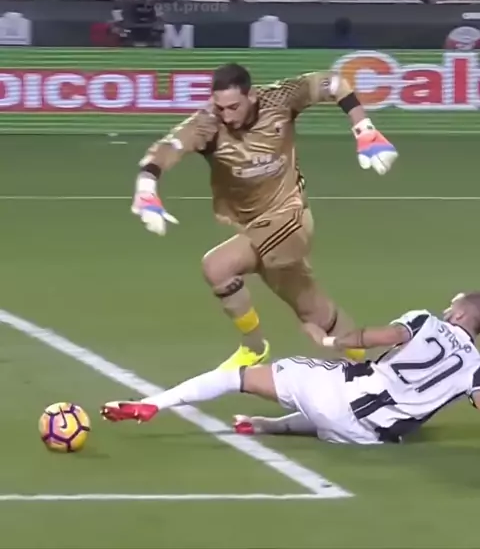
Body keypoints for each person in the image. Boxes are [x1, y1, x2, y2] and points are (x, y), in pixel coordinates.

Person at [130, 63, 398, 371]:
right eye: (220, 107)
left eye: (234, 106)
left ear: (252, 96)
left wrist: (364, 129)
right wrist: (146, 187)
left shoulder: (280, 100)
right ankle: (376, 368)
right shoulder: (208, 125)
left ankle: (254, 348)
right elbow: (166, 150)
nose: (226, 115)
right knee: (316, 313)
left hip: (291, 217)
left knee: (217, 266)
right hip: (254, 227)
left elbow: (334, 83)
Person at [102, 292, 480, 445]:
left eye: (453, 306)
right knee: (343, 407)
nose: (447, 309)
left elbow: (386, 335)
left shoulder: (426, 321)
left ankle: (152, 404)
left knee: (238, 377)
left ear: (462, 314)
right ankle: (268, 425)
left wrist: (330, 341)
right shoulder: (476, 367)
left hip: (340, 397)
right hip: (368, 436)